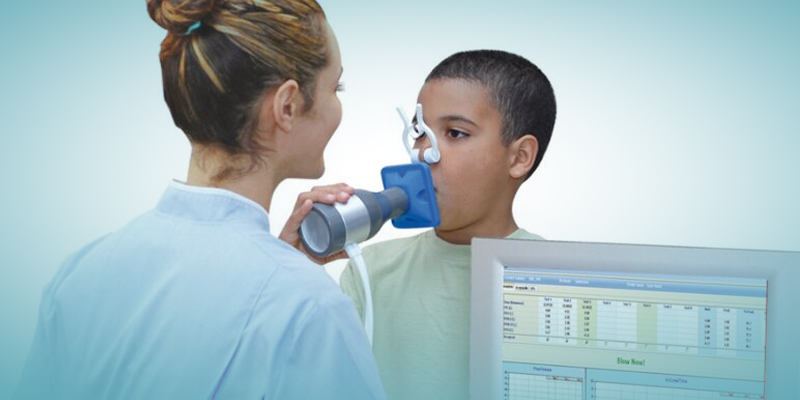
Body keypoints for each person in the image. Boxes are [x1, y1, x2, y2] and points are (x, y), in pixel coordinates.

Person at [14, 1, 385, 399]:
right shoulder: (312, 313)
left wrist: (276, 265)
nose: (338, 106)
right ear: (287, 106)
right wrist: (280, 278)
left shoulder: (80, 275)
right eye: (336, 87)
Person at [338, 50, 557, 400]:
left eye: (454, 133)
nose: (424, 152)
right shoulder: (370, 271)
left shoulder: (561, 277)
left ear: (519, 157)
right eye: (420, 132)